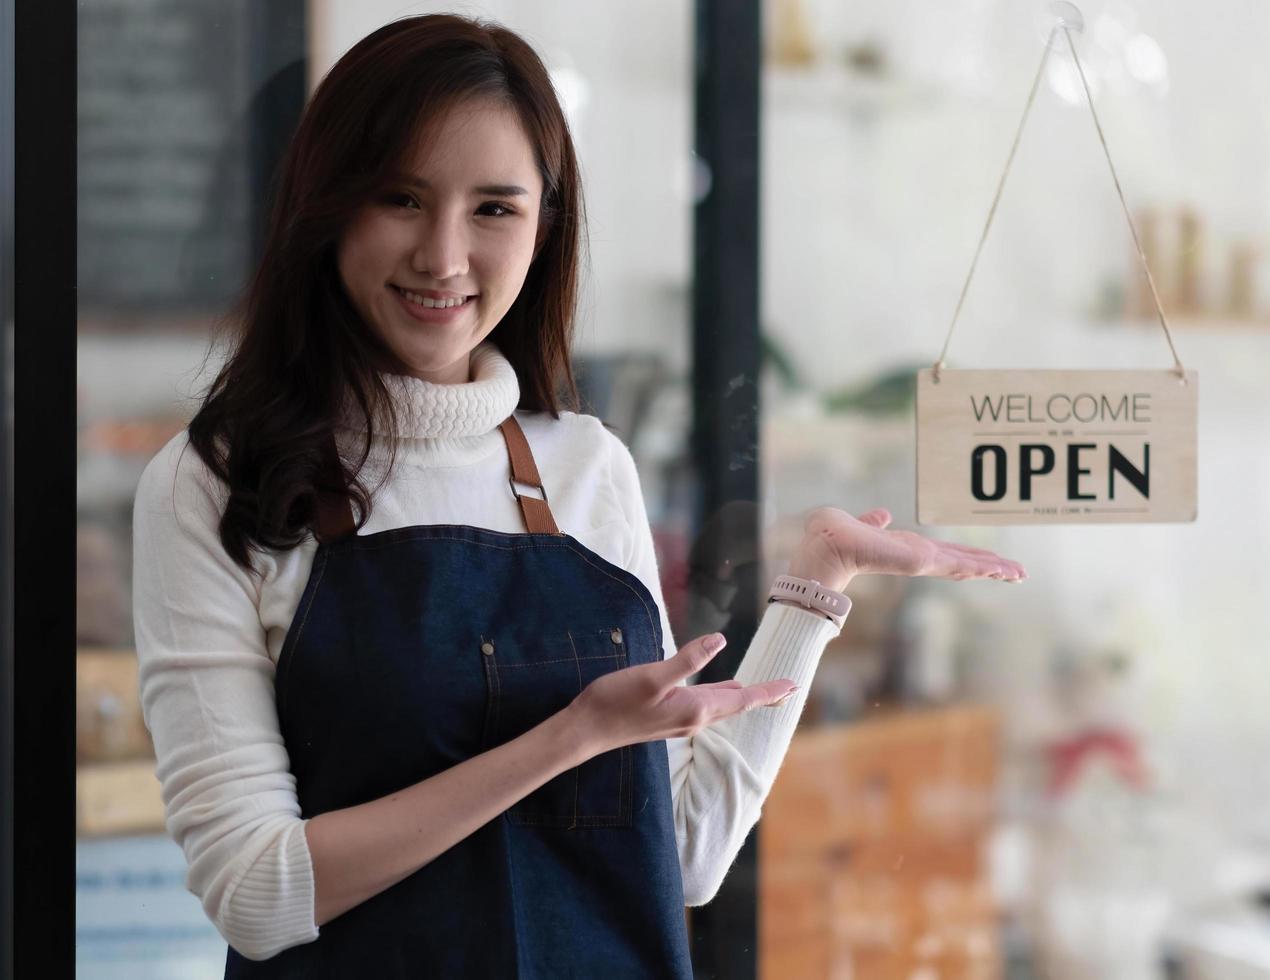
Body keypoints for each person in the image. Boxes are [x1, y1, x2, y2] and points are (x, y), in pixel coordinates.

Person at [131, 13, 1025, 978]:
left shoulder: (588, 467)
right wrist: (570, 738)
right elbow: (256, 892)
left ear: (543, 226)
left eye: (494, 208)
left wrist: (817, 584)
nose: (442, 257)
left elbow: (680, 852)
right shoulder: (211, 484)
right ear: (327, 205)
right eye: (400, 198)